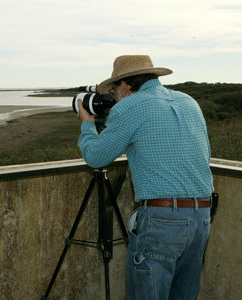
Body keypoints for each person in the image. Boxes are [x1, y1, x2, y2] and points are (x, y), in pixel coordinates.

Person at [77, 55, 214, 300]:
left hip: (164, 220)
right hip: (202, 215)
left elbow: (96, 158)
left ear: (126, 87)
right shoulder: (188, 101)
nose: (114, 98)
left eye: (115, 91)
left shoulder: (130, 106)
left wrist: (87, 124)